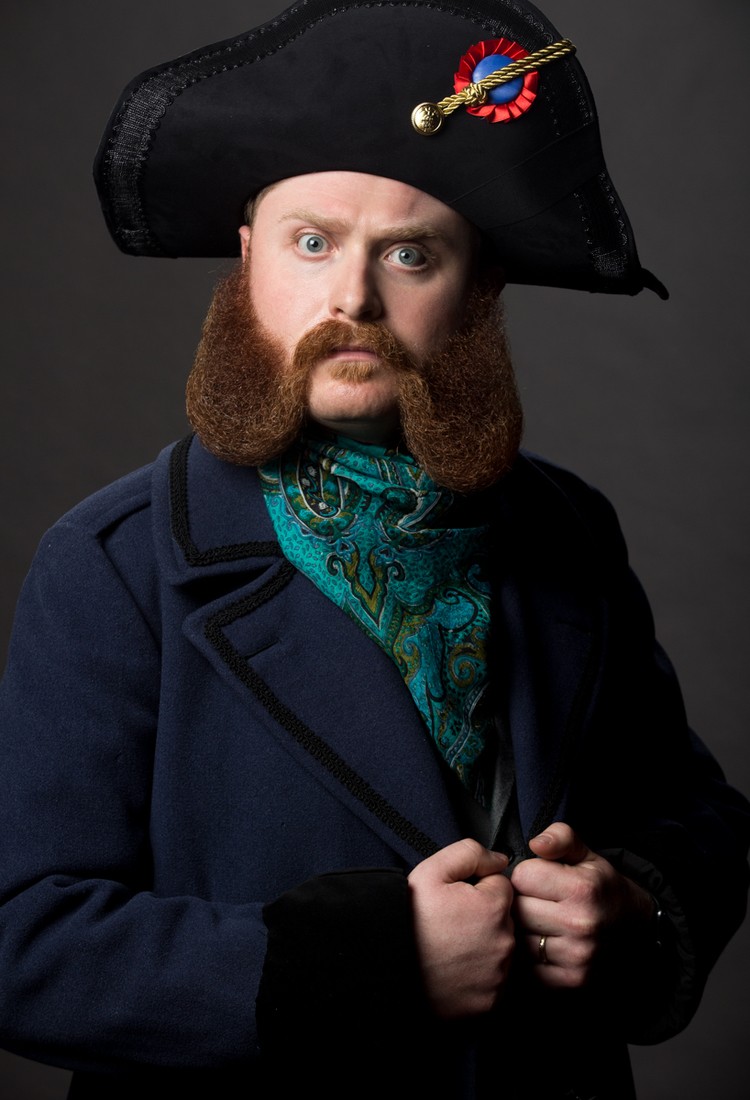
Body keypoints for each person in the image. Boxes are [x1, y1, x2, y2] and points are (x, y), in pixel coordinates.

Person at [0, 1, 748, 1097]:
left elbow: (702, 817)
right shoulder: (114, 563)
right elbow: (24, 942)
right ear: (248, 257)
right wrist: (364, 963)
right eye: (312, 243)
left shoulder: (567, 530)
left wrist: (637, 904)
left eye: (409, 253)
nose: (351, 297)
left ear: (477, 287)